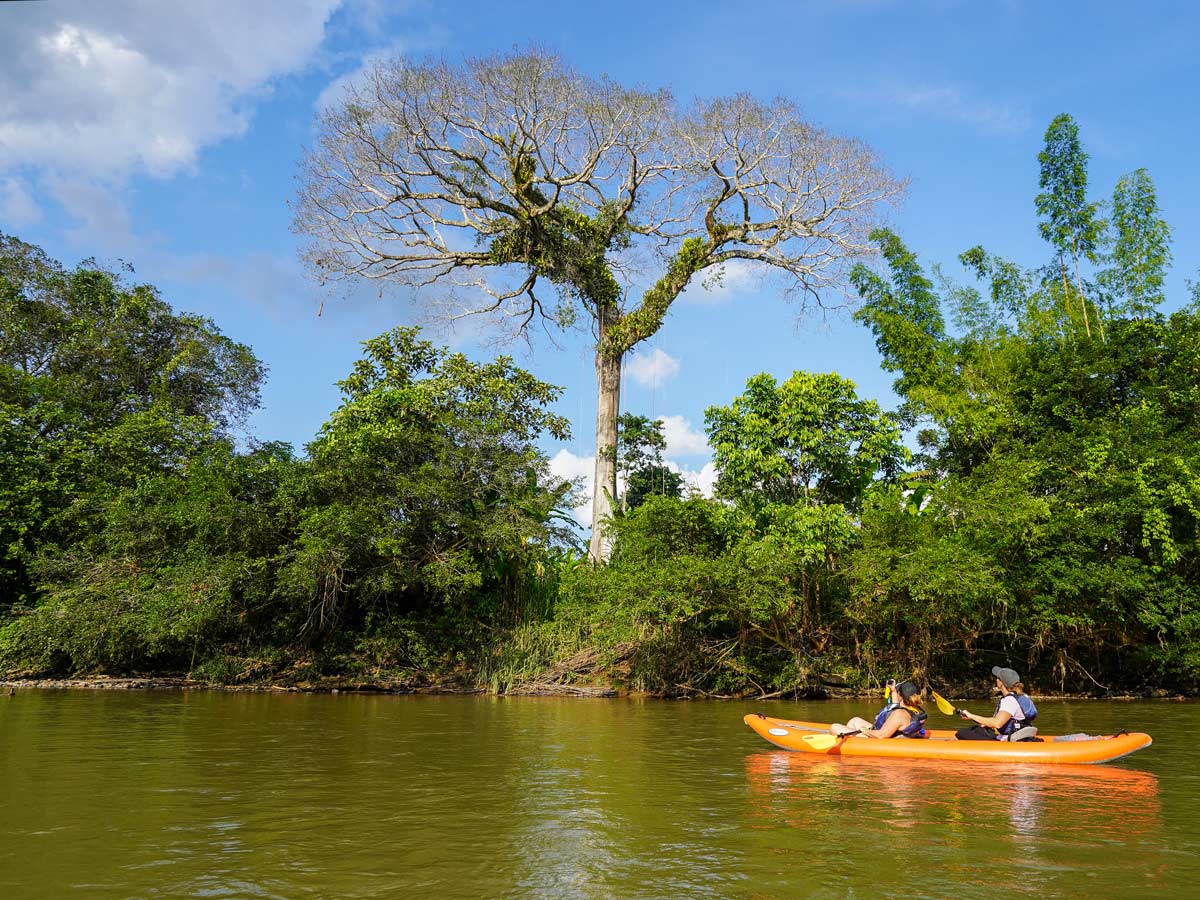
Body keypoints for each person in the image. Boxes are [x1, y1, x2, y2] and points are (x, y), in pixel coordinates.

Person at [955, 666, 1039, 741]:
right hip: (1020, 733)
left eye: (997, 678)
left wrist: (971, 716)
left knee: (962, 733)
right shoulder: (1024, 696)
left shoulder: (1009, 700)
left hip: (1010, 738)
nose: (996, 679)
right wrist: (986, 724)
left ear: (1000, 682)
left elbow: (997, 723)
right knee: (977, 728)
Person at [831, 680, 928, 739]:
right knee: (855, 721)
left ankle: (853, 745)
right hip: (894, 735)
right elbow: (896, 705)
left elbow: (881, 736)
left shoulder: (900, 714)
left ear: (901, 696)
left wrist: (864, 731)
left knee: (834, 727)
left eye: (897, 692)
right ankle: (851, 745)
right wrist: (893, 691)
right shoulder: (916, 710)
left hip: (885, 740)